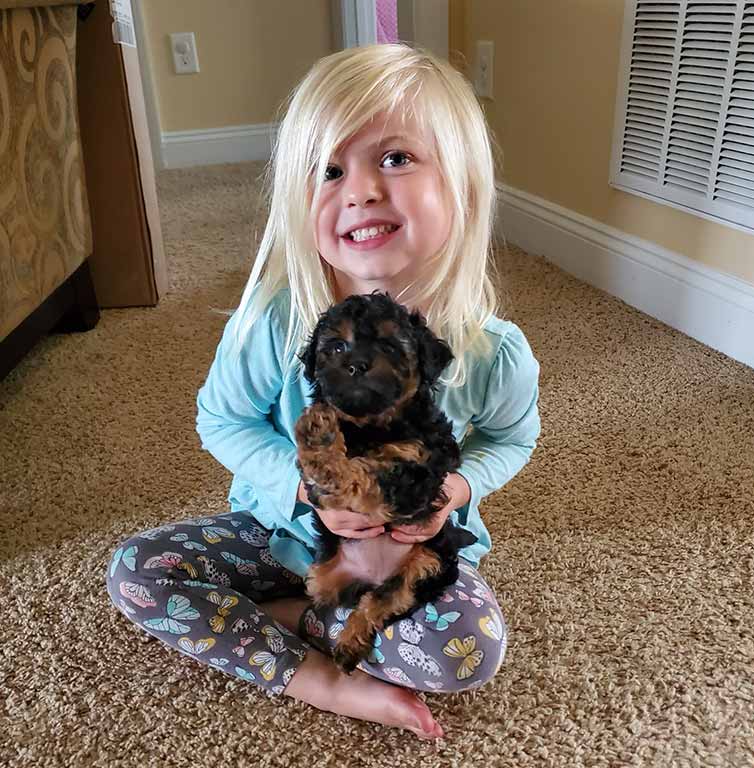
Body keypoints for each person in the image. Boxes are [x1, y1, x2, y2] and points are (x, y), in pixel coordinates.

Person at [106, 43, 540, 741]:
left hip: (406, 557)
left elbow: (512, 438)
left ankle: (307, 616)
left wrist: (455, 492)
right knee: (137, 573)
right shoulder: (274, 321)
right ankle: (322, 677)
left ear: (462, 185)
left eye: (395, 158)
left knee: (468, 652)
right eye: (329, 170)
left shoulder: (494, 351)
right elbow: (221, 419)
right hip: (279, 532)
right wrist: (307, 492)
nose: (360, 188)